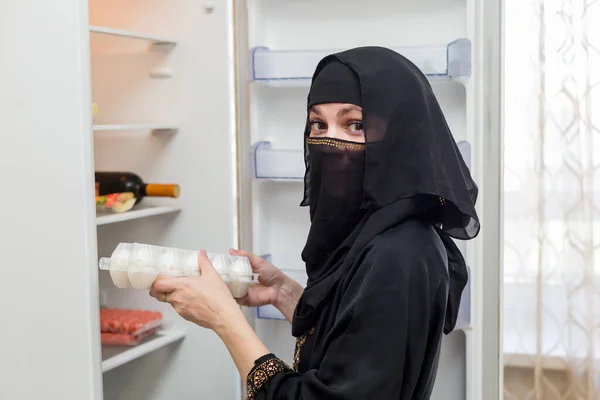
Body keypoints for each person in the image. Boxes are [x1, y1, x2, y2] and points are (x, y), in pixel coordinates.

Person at [149, 46, 479, 399]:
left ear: (397, 137)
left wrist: (224, 319)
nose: (329, 142)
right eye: (318, 124)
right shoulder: (380, 234)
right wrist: (285, 294)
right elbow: (357, 350)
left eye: (355, 125)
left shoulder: (399, 253)